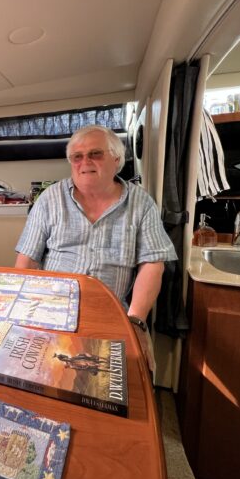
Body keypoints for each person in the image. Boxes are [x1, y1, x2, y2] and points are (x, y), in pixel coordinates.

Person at [15, 125, 176, 372]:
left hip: (111, 314)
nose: (85, 162)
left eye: (95, 154)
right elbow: (26, 261)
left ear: (117, 159)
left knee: (124, 379)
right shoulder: (50, 198)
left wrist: (135, 322)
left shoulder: (141, 203)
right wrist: (23, 313)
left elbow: (153, 264)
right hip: (51, 309)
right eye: (77, 157)